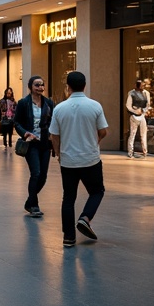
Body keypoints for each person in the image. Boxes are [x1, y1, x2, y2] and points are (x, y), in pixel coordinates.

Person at [49, 71, 108, 248]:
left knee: (68, 198)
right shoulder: (95, 106)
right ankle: (85, 217)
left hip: (68, 161)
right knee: (97, 191)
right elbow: (103, 130)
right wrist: (94, 142)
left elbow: (54, 135)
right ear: (85, 85)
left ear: (68, 87)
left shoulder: (59, 108)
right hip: (90, 159)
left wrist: (59, 154)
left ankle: (69, 237)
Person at [14, 76, 53, 218]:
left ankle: (29, 201)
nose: (40, 88)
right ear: (31, 86)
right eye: (37, 85)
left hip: (45, 144)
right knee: (35, 173)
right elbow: (17, 122)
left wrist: (52, 135)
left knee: (43, 176)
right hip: (31, 144)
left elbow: (52, 121)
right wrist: (26, 134)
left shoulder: (48, 103)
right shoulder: (24, 103)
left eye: (42, 85)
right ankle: (34, 205)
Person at [126, 78, 150, 158]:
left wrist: (143, 110)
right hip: (134, 115)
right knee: (132, 133)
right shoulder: (131, 93)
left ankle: (145, 151)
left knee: (143, 134)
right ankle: (130, 152)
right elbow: (128, 105)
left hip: (142, 115)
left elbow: (148, 104)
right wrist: (135, 111)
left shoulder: (146, 93)